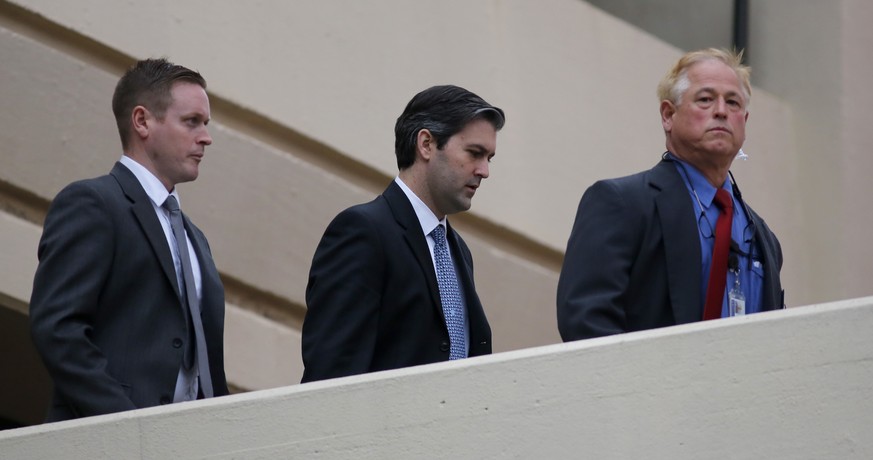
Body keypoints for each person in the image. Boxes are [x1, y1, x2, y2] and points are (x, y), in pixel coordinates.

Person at [29, 58, 228, 421]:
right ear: (142, 121)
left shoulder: (194, 237)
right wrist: (129, 428)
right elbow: (59, 330)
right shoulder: (93, 203)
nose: (206, 137)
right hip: (108, 442)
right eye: (192, 122)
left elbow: (207, 370)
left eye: (206, 123)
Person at [557, 48, 784, 341]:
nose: (721, 111)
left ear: (745, 121)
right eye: (705, 99)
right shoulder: (621, 203)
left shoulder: (764, 238)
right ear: (668, 115)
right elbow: (586, 323)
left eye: (733, 102)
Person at [301, 85, 505, 382]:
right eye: (474, 153)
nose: (484, 171)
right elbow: (332, 374)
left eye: (489, 158)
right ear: (426, 144)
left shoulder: (456, 249)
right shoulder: (363, 231)